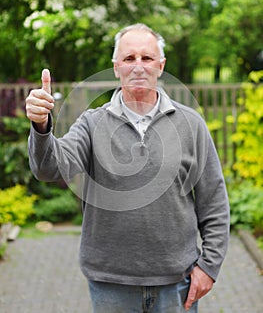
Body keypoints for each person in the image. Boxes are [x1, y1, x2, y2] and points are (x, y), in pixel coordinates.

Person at [26, 23, 230, 313]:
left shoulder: (191, 124)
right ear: (115, 67)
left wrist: (209, 267)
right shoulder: (92, 123)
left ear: (161, 66)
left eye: (147, 58)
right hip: (110, 284)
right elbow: (49, 168)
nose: (138, 67)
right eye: (129, 58)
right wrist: (41, 126)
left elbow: (214, 202)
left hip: (176, 284)